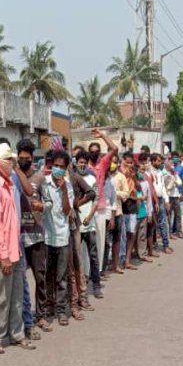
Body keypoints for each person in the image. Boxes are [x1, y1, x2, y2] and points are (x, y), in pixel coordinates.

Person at [0, 143, 36, 354]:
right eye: (10, 161)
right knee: (0, 297)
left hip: (14, 250)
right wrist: (4, 256)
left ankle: (17, 333)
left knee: (15, 296)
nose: (13, 164)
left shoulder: (6, 185)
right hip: (1, 254)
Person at [16, 139, 52, 333]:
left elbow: (49, 203)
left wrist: (42, 206)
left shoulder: (39, 178)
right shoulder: (12, 176)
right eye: (20, 158)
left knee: (40, 277)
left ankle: (41, 315)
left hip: (36, 234)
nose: (23, 161)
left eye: (27, 158)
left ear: (32, 158)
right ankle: (22, 317)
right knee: (20, 280)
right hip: (18, 236)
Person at [43, 151, 75, 326]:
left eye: (62, 167)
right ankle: (49, 306)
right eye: (56, 166)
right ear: (51, 165)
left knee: (61, 276)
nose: (58, 169)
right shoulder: (44, 184)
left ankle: (62, 310)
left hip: (62, 236)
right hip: (47, 236)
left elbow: (67, 211)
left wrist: (63, 190)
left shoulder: (68, 186)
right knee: (48, 274)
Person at [67, 154, 97, 317]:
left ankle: (82, 297)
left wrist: (77, 204)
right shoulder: (50, 180)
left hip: (74, 224)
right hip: (57, 227)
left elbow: (91, 194)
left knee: (77, 262)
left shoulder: (75, 178)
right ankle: (66, 300)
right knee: (63, 266)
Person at [87, 129, 119, 279]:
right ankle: (86, 272)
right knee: (85, 243)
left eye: (97, 151)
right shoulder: (84, 166)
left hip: (100, 208)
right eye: (92, 151)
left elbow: (114, 149)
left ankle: (97, 271)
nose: (94, 153)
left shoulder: (103, 163)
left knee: (100, 241)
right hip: (86, 208)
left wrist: (103, 136)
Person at [76, 151, 103, 299]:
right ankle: (78, 289)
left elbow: (96, 200)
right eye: (80, 162)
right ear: (76, 162)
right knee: (76, 258)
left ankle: (96, 286)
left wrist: (89, 216)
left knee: (93, 256)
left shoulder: (92, 178)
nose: (83, 164)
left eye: (85, 162)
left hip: (89, 223)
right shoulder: (73, 178)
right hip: (76, 225)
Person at [149, 153, 173, 254]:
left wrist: (166, 200)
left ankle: (166, 245)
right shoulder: (148, 172)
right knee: (151, 224)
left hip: (160, 199)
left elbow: (162, 187)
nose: (160, 163)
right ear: (153, 161)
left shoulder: (160, 172)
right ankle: (150, 247)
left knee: (163, 223)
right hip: (150, 200)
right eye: (158, 161)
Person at [110, 154, 129, 274]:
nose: (112, 164)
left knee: (117, 240)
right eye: (110, 161)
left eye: (114, 162)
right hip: (105, 213)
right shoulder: (103, 175)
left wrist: (115, 193)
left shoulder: (121, 176)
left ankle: (115, 265)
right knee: (106, 241)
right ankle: (104, 265)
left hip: (117, 211)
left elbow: (126, 194)